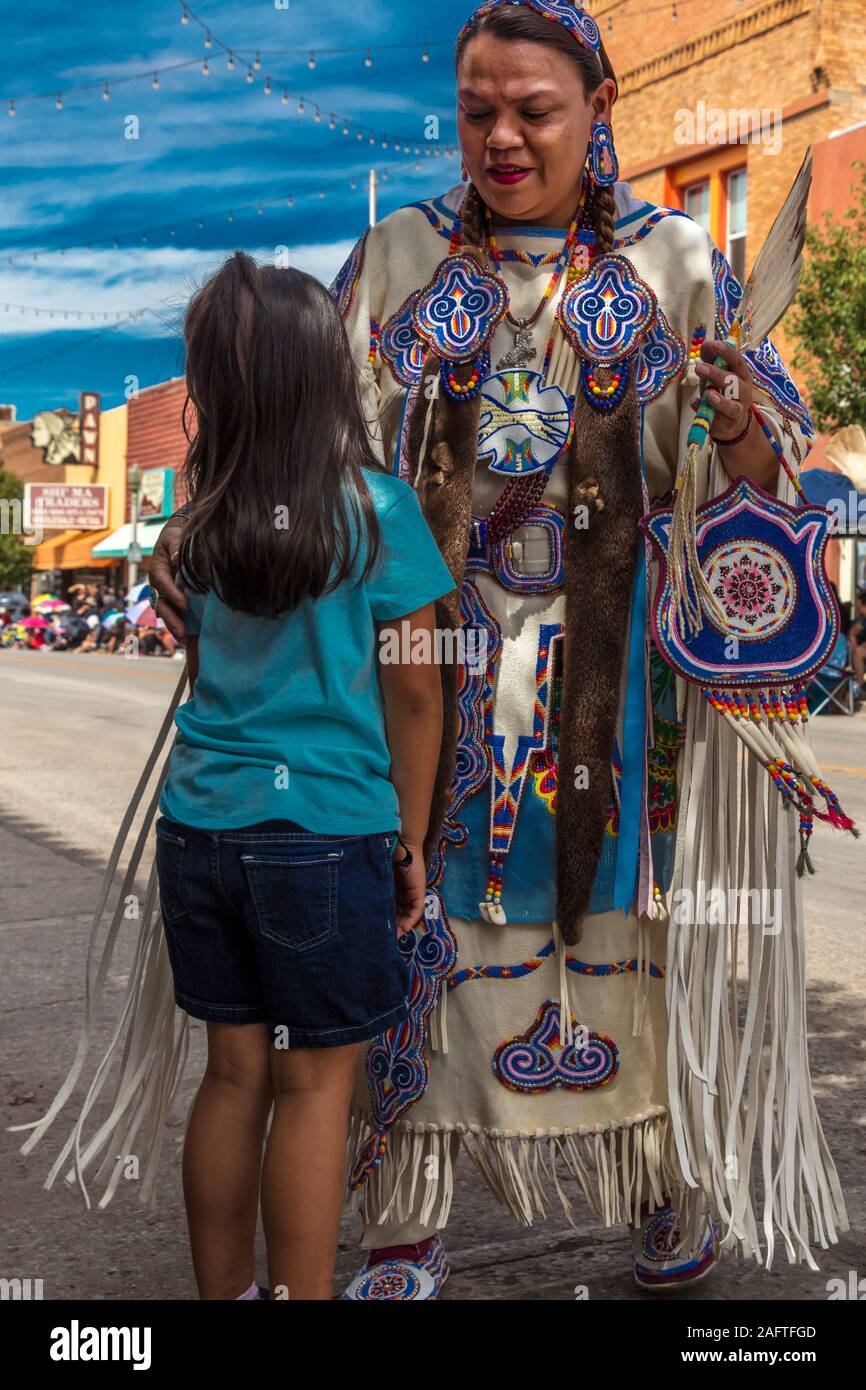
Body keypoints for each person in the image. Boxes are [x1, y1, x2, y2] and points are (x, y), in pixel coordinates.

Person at [27, 0, 846, 1303]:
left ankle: (661, 1182)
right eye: (479, 110)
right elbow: (311, 448)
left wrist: (738, 414)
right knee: (419, 956)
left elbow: (752, 469)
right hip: (435, 680)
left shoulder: (677, 258)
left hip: (613, 695)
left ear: (595, 111)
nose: (504, 136)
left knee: (629, 956)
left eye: (535, 110)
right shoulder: (400, 254)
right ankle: (403, 1216)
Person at [152, 250, 454, 1301]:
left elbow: (203, 664)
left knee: (232, 1075)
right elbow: (418, 691)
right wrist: (409, 839)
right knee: (317, 1086)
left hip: (199, 831)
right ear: (326, 373)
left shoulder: (194, 528)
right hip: (324, 837)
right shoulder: (376, 509)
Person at [849, 588, 866, 696]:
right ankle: (859, 685)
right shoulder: (863, 620)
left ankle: (860, 685)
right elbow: (852, 631)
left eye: (860, 606)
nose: (859, 609)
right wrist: (853, 638)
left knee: (858, 652)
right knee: (857, 651)